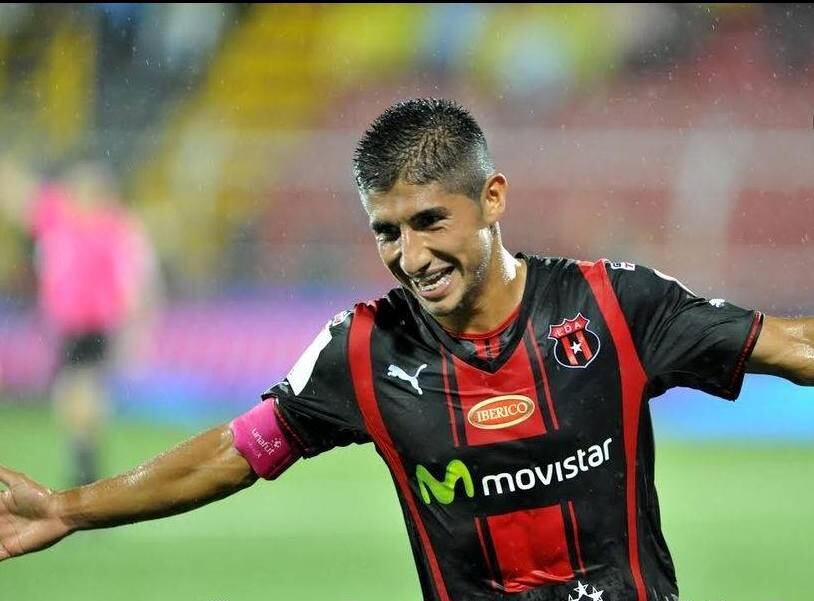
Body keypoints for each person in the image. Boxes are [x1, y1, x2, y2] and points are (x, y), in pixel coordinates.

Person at [0, 99, 811, 601]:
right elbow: (230, 454)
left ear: (493, 198)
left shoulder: (612, 306)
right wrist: (68, 508)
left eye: (429, 222)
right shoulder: (363, 349)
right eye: (386, 231)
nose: (411, 256)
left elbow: (790, 344)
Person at [0, 159, 159, 487]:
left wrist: (135, 327)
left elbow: (134, 281)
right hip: (67, 326)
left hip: (94, 324)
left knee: (82, 387)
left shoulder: (111, 229)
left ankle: (85, 460)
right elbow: (18, 195)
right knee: (70, 394)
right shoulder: (58, 217)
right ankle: (84, 453)